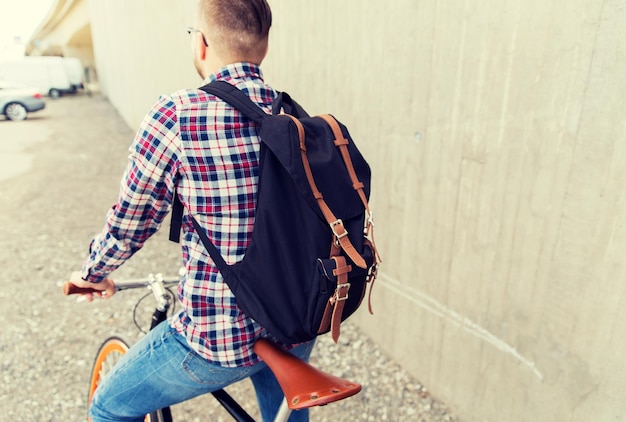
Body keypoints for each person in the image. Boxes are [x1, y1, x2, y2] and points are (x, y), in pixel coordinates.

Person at [69, 1, 314, 420]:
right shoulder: (293, 115)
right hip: (297, 321)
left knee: (108, 408)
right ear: (265, 48)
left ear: (200, 44)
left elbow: (131, 223)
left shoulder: (177, 115)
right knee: (287, 411)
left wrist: (92, 274)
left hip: (221, 339)